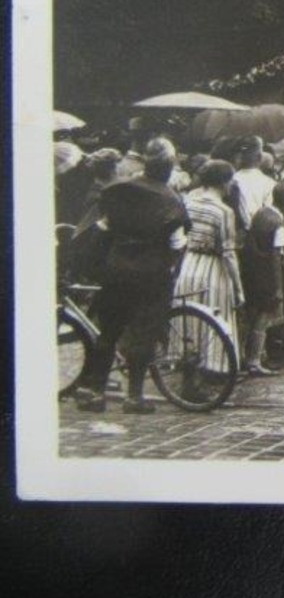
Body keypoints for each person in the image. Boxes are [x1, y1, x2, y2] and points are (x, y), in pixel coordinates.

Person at [72, 138, 190, 414]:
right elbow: (176, 243)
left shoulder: (118, 190)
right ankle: (134, 396)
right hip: (151, 276)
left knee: (108, 332)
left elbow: (102, 229)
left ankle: (95, 392)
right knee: (143, 334)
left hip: (116, 271)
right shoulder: (171, 199)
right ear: (169, 166)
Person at [175, 159, 245, 379]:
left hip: (188, 264)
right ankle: (212, 368)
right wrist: (238, 287)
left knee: (189, 322)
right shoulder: (223, 211)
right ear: (224, 182)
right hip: (213, 269)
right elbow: (228, 253)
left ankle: (189, 371)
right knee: (216, 317)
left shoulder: (188, 201)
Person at [239, 180, 284, 377]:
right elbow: (276, 255)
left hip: (251, 271)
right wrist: (278, 287)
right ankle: (254, 360)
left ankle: (246, 356)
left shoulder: (262, 213)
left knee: (251, 316)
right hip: (266, 275)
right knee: (264, 317)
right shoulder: (279, 223)